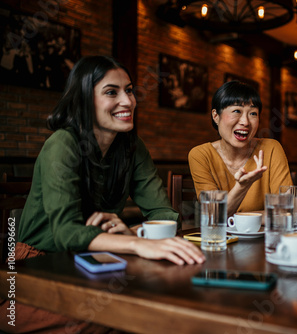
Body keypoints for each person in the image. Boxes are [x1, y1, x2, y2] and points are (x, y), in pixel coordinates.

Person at [0, 55, 205, 333]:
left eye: (129, 90)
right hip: (33, 268)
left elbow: (164, 213)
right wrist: (137, 244)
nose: (128, 101)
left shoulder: (132, 147)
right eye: (112, 92)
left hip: (96, 261)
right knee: (118, 316)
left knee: (161, 301)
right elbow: (66, 233)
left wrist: (134, 234)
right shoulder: (62, 144)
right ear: (84, 99)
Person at [189, 81, 293, 216]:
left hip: (263, 237)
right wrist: (242, 187)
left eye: (253, 113)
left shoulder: (271, 149)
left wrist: (236, 219)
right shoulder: (200, 155)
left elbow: (285, 211)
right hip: (220, 237)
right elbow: (214, 215)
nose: (245, 122)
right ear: (215, 116)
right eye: (237, 111)